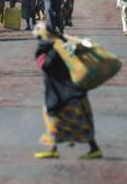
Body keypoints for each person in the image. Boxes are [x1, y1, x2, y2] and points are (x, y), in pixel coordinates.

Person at [33, 25, 102, 159]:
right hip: (70, 92)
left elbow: (46, 65)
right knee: (64, 122)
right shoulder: (63, 46)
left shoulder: (56, 49)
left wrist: (51, 48)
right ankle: (55, 149)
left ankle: (94, 148)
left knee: (72, 122)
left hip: (66, 94)